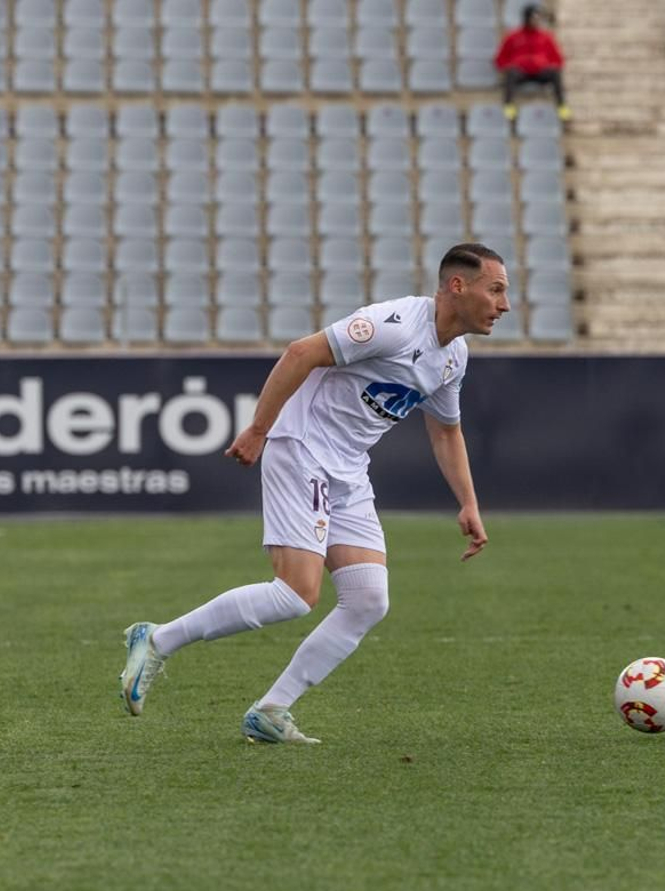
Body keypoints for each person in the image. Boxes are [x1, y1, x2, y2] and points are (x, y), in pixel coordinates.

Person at [119, 244, 508, 745]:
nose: (504, 304)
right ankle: (156, 639)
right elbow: (301, 352)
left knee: (368, 600)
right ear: (459, 286)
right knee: (296, 593)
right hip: (300, 447)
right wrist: (259, 429)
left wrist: (468, 502)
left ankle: (272, 709)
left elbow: (446, 432)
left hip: (348, 469)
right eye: (495, 289)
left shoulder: (453, 356)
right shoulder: (392, 324)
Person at [495, 5, 570, 122]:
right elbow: (501, 58)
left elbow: (558, 58)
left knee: (555, 74)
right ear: (526, 18)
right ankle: (509, 107)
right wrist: (507, 66)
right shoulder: (513, 36)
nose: (536, 21)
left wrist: (552, 65)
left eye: (537, 18)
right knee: (511, 74)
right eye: (533, 18)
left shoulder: (546, 37)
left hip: (540, 72)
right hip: (521, 73)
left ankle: (562, 107)